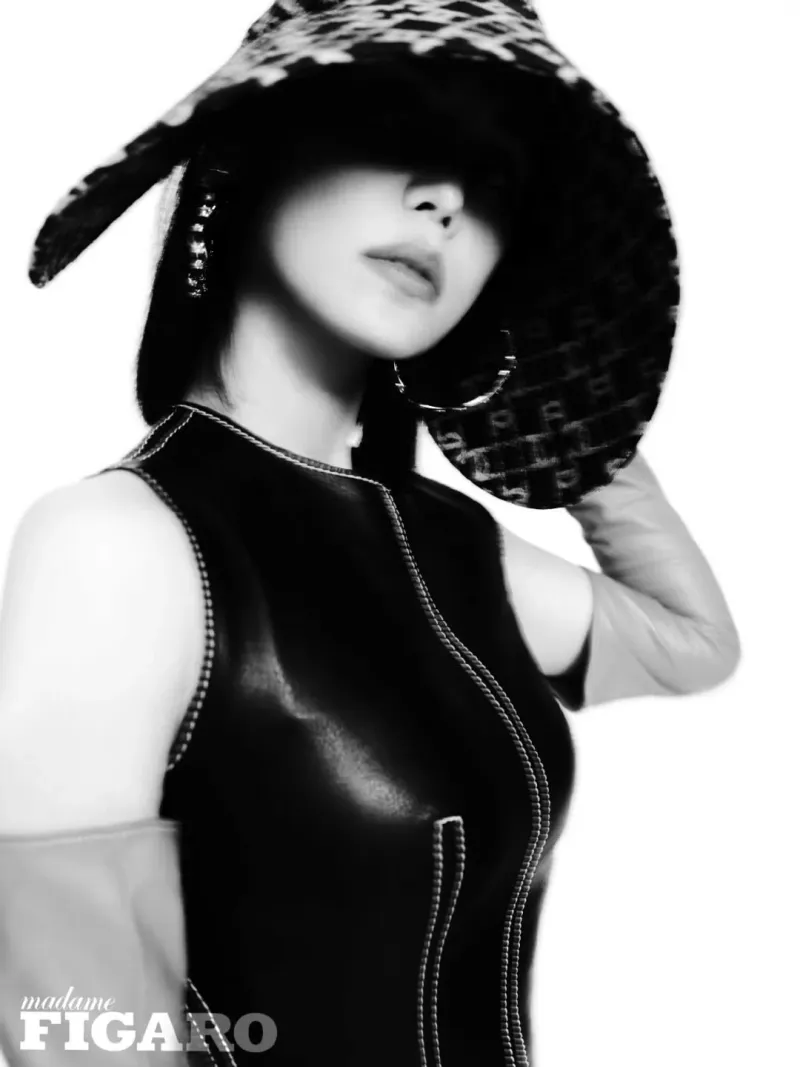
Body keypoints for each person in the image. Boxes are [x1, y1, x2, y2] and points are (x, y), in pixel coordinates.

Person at [0, 2, 741, 1064]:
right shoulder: (118, 545)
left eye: (494, 184)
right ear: (249, 160)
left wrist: (570, 407)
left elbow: (690, 643)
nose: (448, 201)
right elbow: (76, 1034)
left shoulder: (445, 545)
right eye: (402, 130)